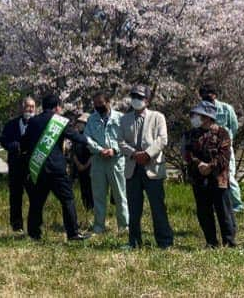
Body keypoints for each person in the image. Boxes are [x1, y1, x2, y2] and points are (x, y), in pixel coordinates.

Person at [22, 93, 90, 242]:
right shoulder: (60, 121)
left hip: (38, 167)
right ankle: (72, 233)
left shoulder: (33, 122)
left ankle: (34, 233)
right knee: (67, 199)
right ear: (57, 107)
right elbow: (76, 137)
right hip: (56, 169)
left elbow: (25, 143)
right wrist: (90, 140)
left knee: (36, 202)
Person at [119, 85, 173, 249]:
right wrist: (134, 154)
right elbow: (120, 141)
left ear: (147, 100)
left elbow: (162, 139)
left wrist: (147, 154)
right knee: (134, 208)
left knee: (158, 207)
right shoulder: (124, 119)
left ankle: (164, 242)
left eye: (140, 97)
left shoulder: (158, 117)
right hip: (132, 168)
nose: (136, 100)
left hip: (152, 167)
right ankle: (134, 242)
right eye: (134, 96)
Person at [184, 100, 236, 247]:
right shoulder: (191, 134)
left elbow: (225, 155)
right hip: (198, 178)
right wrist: (199, 164)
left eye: (197, 115)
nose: (194, 118)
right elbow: (187, 153)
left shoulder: (222, 133)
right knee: (203, 212)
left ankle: (229, 242)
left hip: (218, 178)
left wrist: (210, 166)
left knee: (224, 211)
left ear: (206, 117)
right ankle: (211, 242)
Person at [83, 92, 128, 234]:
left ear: (109, 102)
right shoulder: (91, 119)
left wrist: (114, 150)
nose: (98, 107)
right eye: (95, 105)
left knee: (121, 195)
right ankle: (99, 226)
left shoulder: (120, 118)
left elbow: (126, 139)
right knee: (99, 195)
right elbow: (87, 138)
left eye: (100, 104)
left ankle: (124, 226)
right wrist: (99, 150)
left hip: (116, 161)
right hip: (98, 161)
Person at [198, 84, 244, 213]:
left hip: (224, 148)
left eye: (209, 95)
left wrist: (226, 140)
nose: (207, 98)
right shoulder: (200, 109)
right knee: (211, 177)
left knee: (228, 174)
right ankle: (216, 204)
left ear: (215, 95)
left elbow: (234, 127)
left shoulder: (226, 108)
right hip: (206, 148)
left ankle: (237, 205)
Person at [0, 96, 36, 232]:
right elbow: (3, 140)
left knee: (34, 196)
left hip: (32, 166)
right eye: (28, 106)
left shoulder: (38, 123)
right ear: (21, 108)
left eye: (33, 106)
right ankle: (16, 226)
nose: (30, 109)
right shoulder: (11, 124)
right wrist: (14, 146)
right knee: (15, 196)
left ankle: (34, 225)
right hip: (15, 165)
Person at [69, 114, 94, 211]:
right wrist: (79, 164)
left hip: (90, 167)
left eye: (81, 123)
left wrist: (85, 165)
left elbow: (93, 154)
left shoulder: (90, 137)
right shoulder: (76, 136)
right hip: (79, 167)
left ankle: (92, 208)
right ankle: (86, 208)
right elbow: (73, 152)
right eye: (78, 122)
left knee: (91, 189)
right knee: (83, 189)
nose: (78, 125)